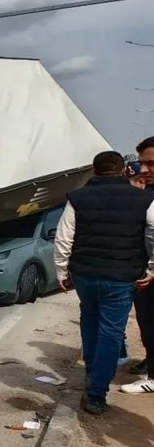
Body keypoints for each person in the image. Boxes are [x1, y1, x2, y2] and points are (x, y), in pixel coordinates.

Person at [54, 151, 154, 413]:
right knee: (111, 331)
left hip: (85, 275)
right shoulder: (144, 199)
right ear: (123, 171)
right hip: (121, 277)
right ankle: (97, 394)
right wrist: (152, 268)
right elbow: (153, 234)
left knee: (89, 318)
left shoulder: (77, 198)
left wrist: (61, 271)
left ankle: (91, 371)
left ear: (94, 171)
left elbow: (64, 237)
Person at [121, 139, 154, 391]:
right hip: (143, 272)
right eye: (141, 162)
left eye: (150, 163)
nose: (144, 169)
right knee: (146, 320)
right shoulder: (146, 191)